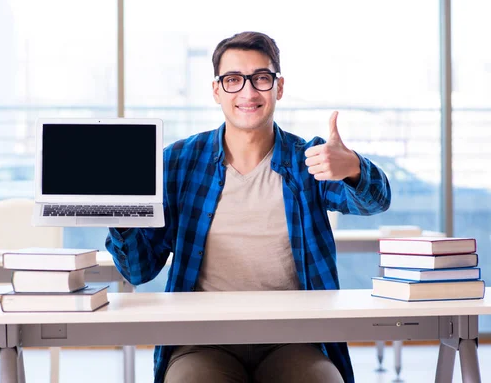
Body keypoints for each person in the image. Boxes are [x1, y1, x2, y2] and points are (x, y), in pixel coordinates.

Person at [105, 31, 391, 383]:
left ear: (279, 87)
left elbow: (376, 200)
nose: (248, 92)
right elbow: (138, 271)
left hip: (294, 339)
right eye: (233, 80)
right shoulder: (178, 162)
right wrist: (120, 214)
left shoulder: (310, 160)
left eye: (261, 78)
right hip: (202, 341)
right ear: (216, 91)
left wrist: (353, 168)